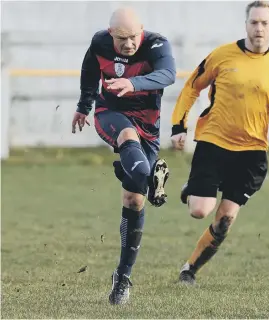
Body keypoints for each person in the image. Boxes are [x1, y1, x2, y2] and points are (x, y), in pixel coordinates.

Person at [170, 0, 269, 285]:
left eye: (264, 23)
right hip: (214, 143)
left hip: (251, 154)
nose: (259, 28)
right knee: (199, 211)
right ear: (246, 25)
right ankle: (193, 190)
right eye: (254, 22)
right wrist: (179, 125)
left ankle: (189, 270)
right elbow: (192, 86)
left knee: (225, 220)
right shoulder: (223, 55)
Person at [71, 7, 176, 305]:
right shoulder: (100, 42)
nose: (128, 44)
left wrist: (134, 83)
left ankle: (122, 276)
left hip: (148, 126)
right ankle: (150, 177)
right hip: (111, 114)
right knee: (127, 138)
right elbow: (90, 71)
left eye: (133, 37)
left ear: (141, 30)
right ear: (110, 34)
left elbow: (168, 74)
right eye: (121, 39)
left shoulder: (157, 44)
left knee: (133, 199)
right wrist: (83, 105)